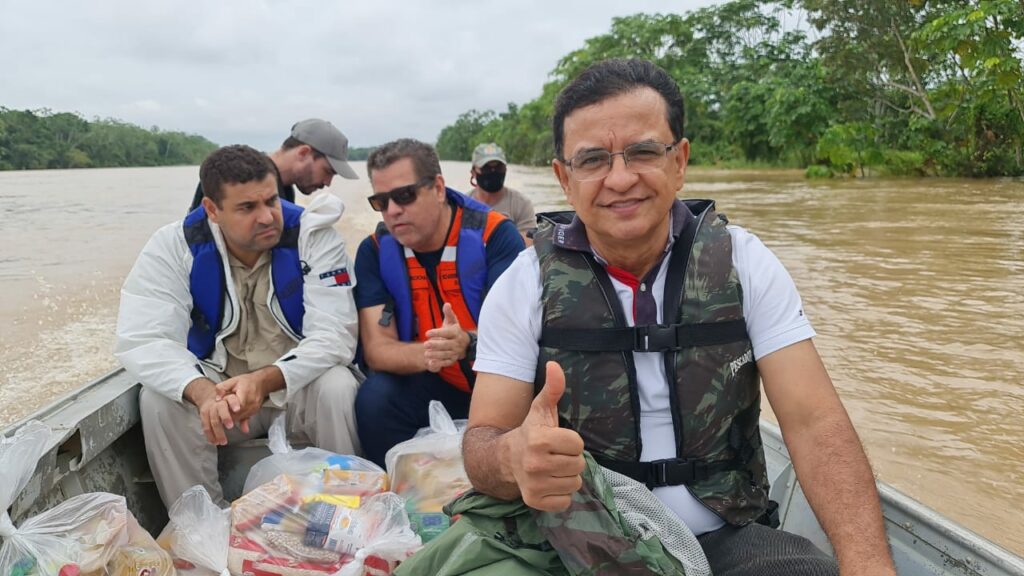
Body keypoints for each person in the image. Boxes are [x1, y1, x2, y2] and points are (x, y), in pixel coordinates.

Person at [461, 59, 897, 576]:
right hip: (579, 538)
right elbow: (482, 438)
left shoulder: (744, 262)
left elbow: (813, 423)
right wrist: (513, 457)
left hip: (729, 537)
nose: (620, 179)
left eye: (644, 152)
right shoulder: (524, 281)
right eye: (593, 160)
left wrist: (868, 564)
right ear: (564, 177)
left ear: (680, 160)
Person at [117, 144, 362, 509]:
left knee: (338, 385)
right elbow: (144, 339)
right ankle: (203, 531)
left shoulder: (313, 235)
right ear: (212, 210)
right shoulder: (173, 246)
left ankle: (348, 511)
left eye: (270, 201)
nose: (266, 217)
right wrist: (202, 393)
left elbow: (335, 336)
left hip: (292, 390)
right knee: (158, 401)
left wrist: (263, 381)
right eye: (247, 207)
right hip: (221, 398)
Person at [352, 138, 525, 467]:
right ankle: (402, 496)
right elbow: (377, 349)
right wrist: (434, 352)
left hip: (499, 384)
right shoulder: (374, 251)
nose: (392, 211)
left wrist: (467, 342)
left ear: (439, 188)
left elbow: (521, 337)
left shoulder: (497, 236)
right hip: (435, 383)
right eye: (381, 201)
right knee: (375, 398)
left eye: (405, 196)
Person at [187, 118, 359, 211]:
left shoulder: (286, 191)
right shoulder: (237, 174)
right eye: (328, 171)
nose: (327, 182)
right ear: (303, 153)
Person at [467, 142, 537, 245]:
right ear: (473, 172)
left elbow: (527, 245)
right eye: (486, 168)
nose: (493, 172)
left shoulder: (521, 204)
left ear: (505, 169)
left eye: (499, 167)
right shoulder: (463, 205)